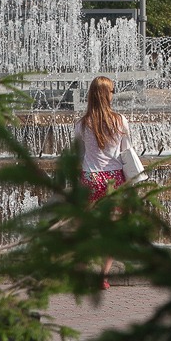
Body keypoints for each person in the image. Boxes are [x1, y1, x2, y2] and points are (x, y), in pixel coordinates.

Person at [74, 75, 131, 289]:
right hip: (114, 179)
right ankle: (102, 277)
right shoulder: (120, 121)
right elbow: (126, 151)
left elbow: (79, 154)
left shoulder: (81, 124)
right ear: (107, 95)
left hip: (90, 178)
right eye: (113, 91)